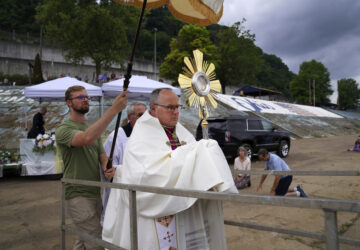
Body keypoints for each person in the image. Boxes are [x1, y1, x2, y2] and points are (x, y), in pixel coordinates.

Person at [103, 88, 237, 250]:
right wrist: (192, 155)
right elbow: (145, 173)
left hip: (185, 209)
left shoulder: (180, 130)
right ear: (153, 109)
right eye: (170, 107)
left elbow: (192, 159)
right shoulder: (141, 134)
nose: (175, 112)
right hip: (158, 210)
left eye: (177, 107)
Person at [55, 85, 128, 249]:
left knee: (83, 241)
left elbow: (102, 156)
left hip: (95, 193)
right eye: (80, 97)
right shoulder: (63, 129)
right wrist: (114, 110)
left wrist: (106, 167)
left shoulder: (92, 130)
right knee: (96, 242)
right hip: (77, 194)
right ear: (68, 103)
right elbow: (85, 139)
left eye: (86, 96)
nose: (85, 99)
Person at [100, 102, 146, 225]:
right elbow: (108, 167)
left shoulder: (149, 136)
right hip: (121, 192)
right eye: (140, 115)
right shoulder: (117, 136)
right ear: (130, 117)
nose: (145, 118)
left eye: (147, 115)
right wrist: (114, 171)